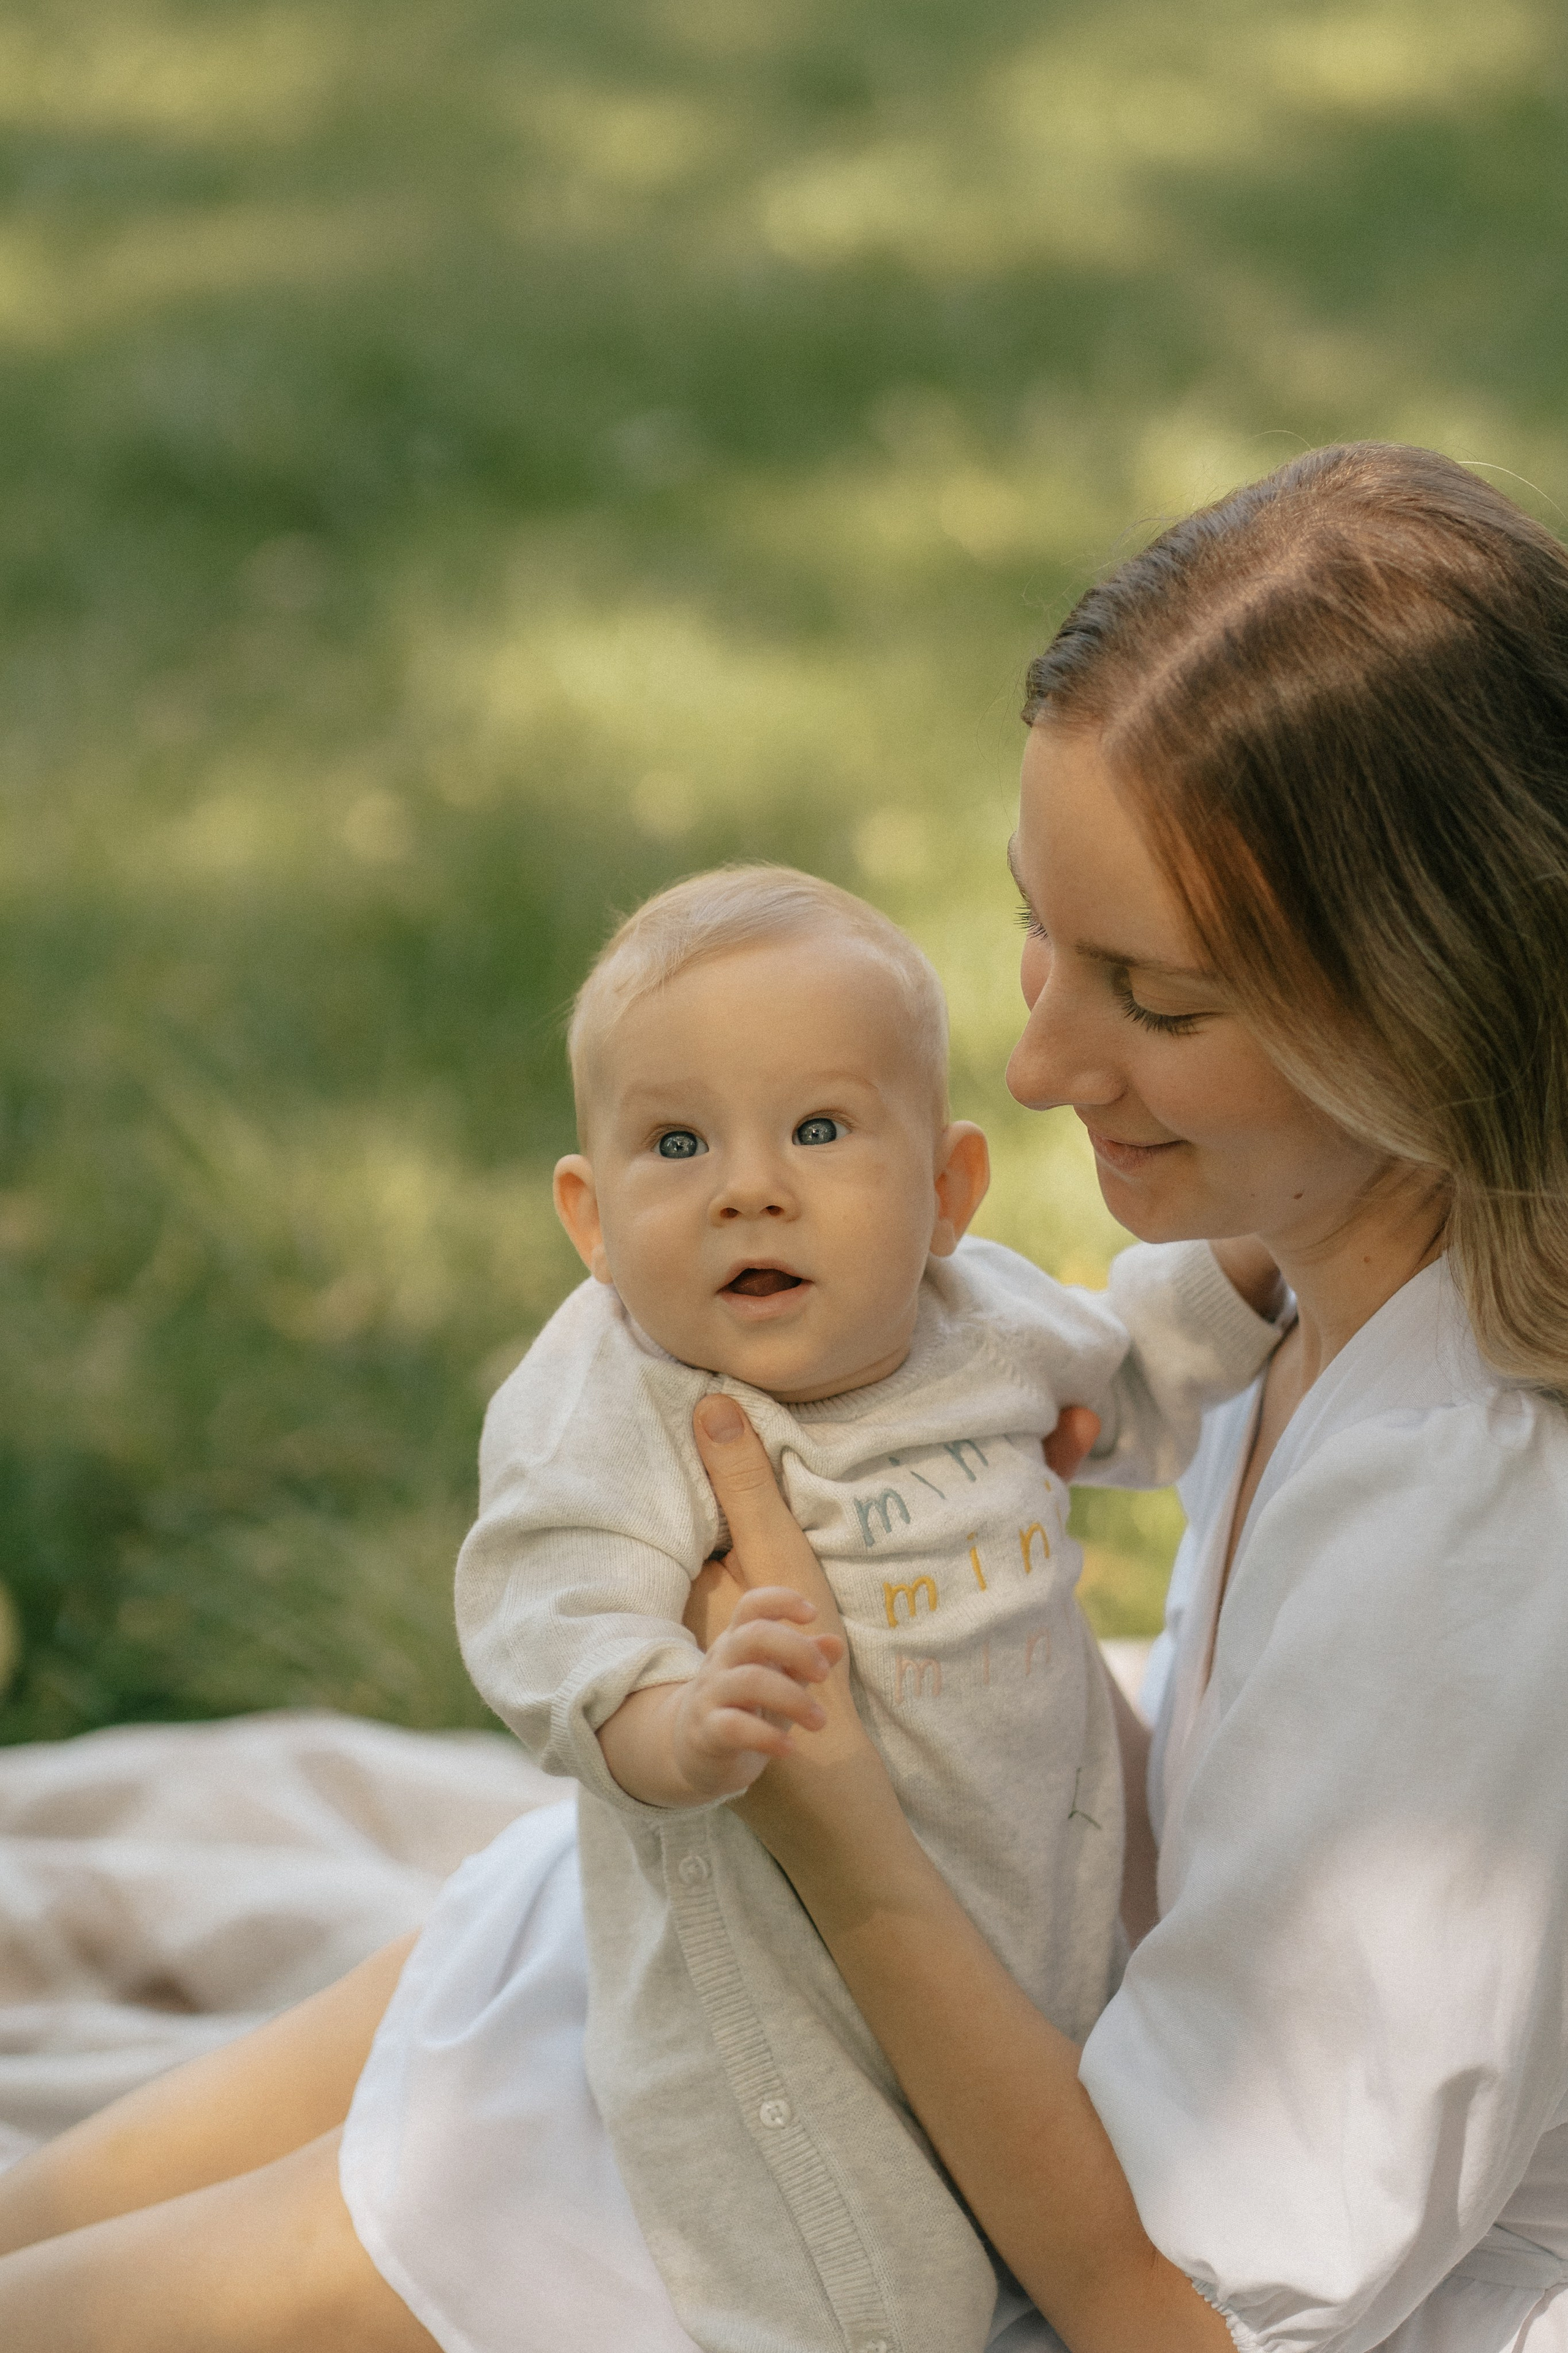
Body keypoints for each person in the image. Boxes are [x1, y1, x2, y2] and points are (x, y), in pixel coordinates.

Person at [0, 438, 1564, 2353]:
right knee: (528, 1953)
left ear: (1430, 1009)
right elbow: (1113, 1376)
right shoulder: (1338, 1251)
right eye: (1040, 934)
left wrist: (842, 1840)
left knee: (364, 2220)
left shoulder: (1465, 1563)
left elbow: (1178, 2322)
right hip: (940, 1969)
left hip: (1065, 2226)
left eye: (1156, 1000)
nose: (1043, 1055)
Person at [453, 863, 1282, 2353]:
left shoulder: (981, 1323)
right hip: (778, 1998)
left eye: (819, 1129)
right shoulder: (624, 1397)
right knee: (870, 2296)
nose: (747, 1185)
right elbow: (546, 1604)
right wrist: (678, 1723)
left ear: (946, 1193)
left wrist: (1260, 1253)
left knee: (1059, 2176)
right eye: (675, 1142)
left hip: (1031, 1916)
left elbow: (1134, 1371)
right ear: (588, 1214)